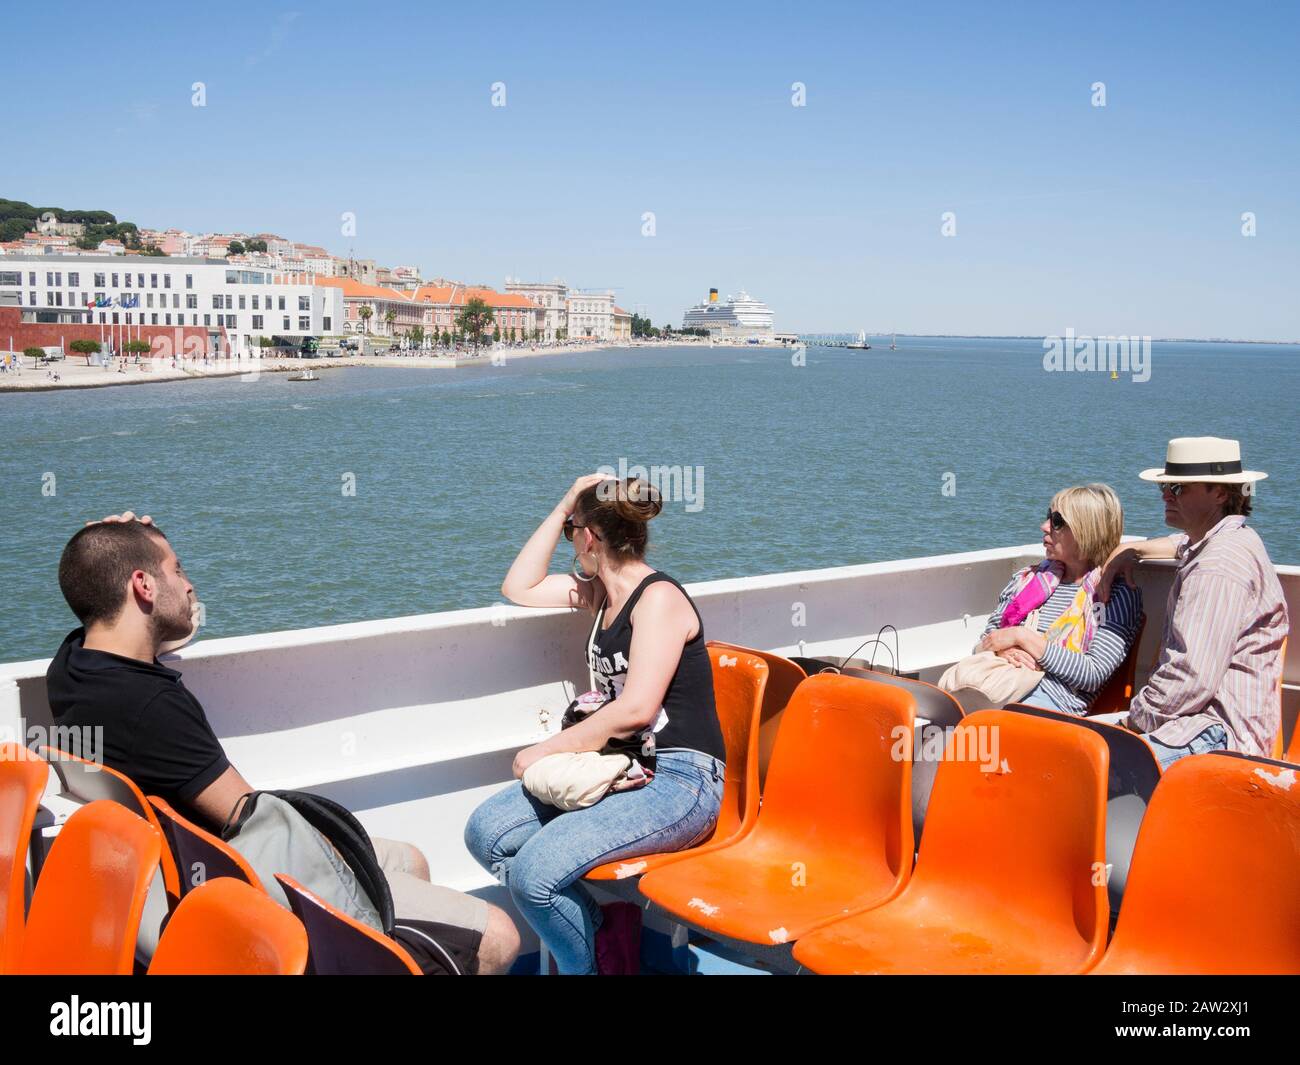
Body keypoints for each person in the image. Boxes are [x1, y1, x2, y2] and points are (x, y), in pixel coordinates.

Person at [46, 513, 519, 974]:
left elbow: (141, 616)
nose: (190, 586)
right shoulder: (153, 706)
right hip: (248, 882)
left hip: (182, 873)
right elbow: (249, 814)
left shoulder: (72, 667)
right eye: (178, 570)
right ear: (143, 586)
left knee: (410, 859)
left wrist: (107, 548)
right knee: (498, 937)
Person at [464, 475, 726, 975]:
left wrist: (543, 750)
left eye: (572, 531)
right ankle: (602, 932)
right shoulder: (599, 595)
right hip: (621, 766)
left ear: (590, 538)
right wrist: (566, 503)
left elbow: (635, 710)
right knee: (486, 834)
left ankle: (586, 966)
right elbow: (518, 586)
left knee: (534, 876)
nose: (570, 542)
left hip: (680, 779)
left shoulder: (659, 599)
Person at [1098, 437, 1288, 768]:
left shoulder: (1218, 566)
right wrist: (1130, 551)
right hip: (1199, 725)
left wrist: (1132, 719)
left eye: (1179, 488)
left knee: (1086, 763)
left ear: (1219, 493)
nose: (1165, 494)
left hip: (1215, 736)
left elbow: (1189, 680)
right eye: (1167, 485)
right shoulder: (1232, 539)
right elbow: (1184, 543)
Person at [972, 484, 1142, 713]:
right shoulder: (1026, 580)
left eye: (1057, 522)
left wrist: (1021, 637)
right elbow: (985, 640)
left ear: (1087, 530)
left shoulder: (1114, 595)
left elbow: (1092, 674)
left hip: (1049, 705)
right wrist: (1005, 651)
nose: (1044, 527)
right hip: (997, 684)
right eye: (1047, 517)